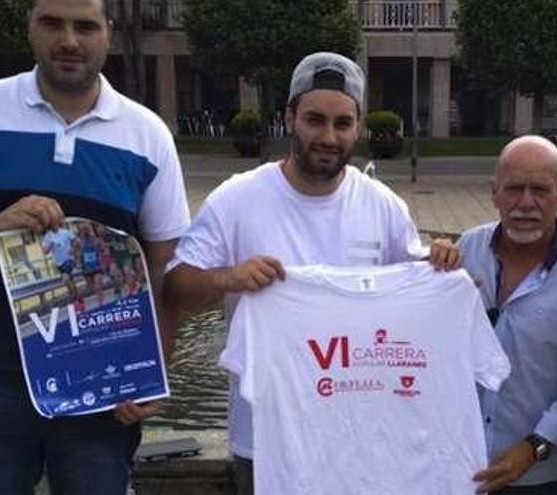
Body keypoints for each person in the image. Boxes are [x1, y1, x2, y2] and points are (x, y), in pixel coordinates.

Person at [162, 51, 461, 495]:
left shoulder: (382, 205)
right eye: (314, 120)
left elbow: (413, 303)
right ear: (289, 118)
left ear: (358, 127)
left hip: (361, 437)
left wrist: (442, 268)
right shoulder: (236, 199)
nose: (328, 136)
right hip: (266, 441)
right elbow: (175, 289)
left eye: (342, 124)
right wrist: (228, 279)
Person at [0, 0, 190, 493]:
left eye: (85, 26)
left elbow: (164, 268)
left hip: (100, 386)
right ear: (30, 27)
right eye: (53, 23)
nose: (69, 41)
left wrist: (151, 370)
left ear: (107, 34)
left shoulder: (146, 136)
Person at [458, 135, 557, 494]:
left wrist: (534, 448)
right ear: (494, 192)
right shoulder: (466, 251)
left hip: (544, 478)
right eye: (514, 189)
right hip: (461, 467)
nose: (525, 203)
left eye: (540, 190)